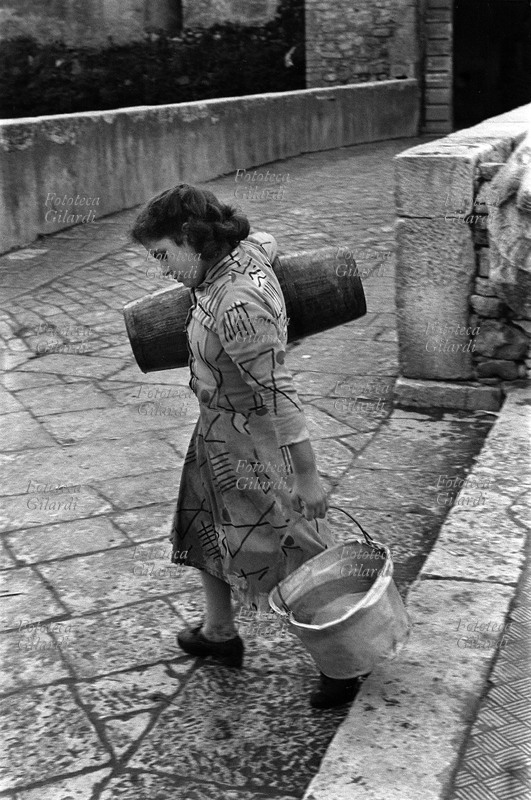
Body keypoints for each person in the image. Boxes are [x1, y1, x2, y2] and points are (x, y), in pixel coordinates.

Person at [131, 184, 365, 707]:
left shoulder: (237, 302)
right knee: (204, 530)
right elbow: (267, 238)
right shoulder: (240, 256)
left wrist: (305, 477)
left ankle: (346, 657)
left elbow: (279, 396)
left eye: (164, 254)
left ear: (193, 238)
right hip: (215, 433)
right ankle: (219, 634)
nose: (162, 269)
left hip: (254, 449)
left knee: (294, 550)